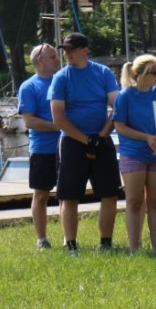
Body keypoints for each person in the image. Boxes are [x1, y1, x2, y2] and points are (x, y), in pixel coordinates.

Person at [49, 32, 121, 256]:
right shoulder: (61, 78)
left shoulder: (103, 73)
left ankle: (106, 243)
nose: (67, 54)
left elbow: (117, 107)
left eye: (72, 50)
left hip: (102, 139)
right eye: (65, 51)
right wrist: (86, 140)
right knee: (69, 196)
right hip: (72, 142)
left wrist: (101, 136)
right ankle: (70, 244)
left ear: (85, 50)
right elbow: (58, 117)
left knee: (109, 194)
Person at [114, 55, 156, 252]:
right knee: (134, 202)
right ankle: (134, 248)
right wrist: (146, 137)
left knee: (155, 202)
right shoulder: (125, 96)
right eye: (153, 72)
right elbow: (119, 125)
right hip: (133, 153)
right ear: (140, 74)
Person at [18, 43, 61, 250]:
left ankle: (68, 239)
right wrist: (60, 126)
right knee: (41, 194)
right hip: (43, 149)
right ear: (40, 60)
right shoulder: (29, 87)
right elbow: (29, 121)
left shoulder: (62, 82)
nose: (57, 59)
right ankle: (42, 239)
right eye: (52, 56)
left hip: (67, 147)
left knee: (68, 194)